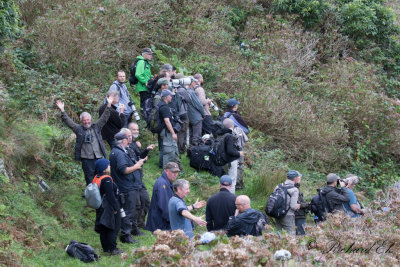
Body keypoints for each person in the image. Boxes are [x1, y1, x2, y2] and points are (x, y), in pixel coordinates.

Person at [56, 95, 113, 185]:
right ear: (81, 121)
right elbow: (69, 122)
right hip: (87, 159)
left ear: (90, 119)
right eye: (84, 120)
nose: (86, 122)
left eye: (88, 120)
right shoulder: (79, 129)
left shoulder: (96, 126)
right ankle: (91, 195)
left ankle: (102, 194)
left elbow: (104, 117)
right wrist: (62, 110)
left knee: (101, 177)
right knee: (89, 179)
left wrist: (109, 104)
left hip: (98, 157)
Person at [109, 131, 146, 243]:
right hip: (126, 187)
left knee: (133, 209)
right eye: (127, 138)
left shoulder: (118, 151)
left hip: (130, 185)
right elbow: (123, 169)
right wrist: (136, 166)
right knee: (128, 212)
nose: (129, 140)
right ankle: (126, 235)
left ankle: (133, 230)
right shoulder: (119, 153)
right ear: (124, 141)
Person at [127, 123, 156, 229]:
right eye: (133, 130)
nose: (136, 131)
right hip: (132, 180)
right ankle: (134, 227)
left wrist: (146, 150)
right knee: (137, 204)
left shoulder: (134, 144)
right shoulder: (125, 147)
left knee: (146, 201)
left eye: (137, 129)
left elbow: (139, 157)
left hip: (139, 177)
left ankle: (141, 223)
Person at [93, 158, 123, 256]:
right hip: (108, 207)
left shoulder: (96, 177)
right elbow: (110, 195)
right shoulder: (106, 179)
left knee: (104, 227)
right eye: (108, 165)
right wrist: (115, 208)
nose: (110, 166)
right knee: (112, 227)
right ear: (104, 168)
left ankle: (106, 247)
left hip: (100, 206)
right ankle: (113, 249)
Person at [146, 162, 180, 232]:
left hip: (162, 220)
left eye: (177, 172)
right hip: (159, 224)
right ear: (166, 171)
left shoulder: (168, 181)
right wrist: (173, 221)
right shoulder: (162, 184)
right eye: (173, 172)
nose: (175, 174)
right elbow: (164, 206)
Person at [218, 118, 244, 193]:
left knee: (224, 180)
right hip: (230, 160)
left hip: (223, 160)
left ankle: (223, 196)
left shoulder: (220, 133)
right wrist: (239, 153)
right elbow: (230, 151)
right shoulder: (229, 136)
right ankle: (231, 198)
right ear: (232, 126)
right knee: (232, 180)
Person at [158, 90, 181, 169]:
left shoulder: (160, 104)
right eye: (170, 96)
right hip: (166, 131)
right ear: (166, 97)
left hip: (162, 130)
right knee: (168, 150)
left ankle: (161, 165)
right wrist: (173, 133)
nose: (171, 97)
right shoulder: (164, 107)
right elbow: (167, 121)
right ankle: (167, 170)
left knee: (163, 148)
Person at [275, 170, 301, 235]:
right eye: (298, 177)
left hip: (277, 214)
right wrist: (300, 205)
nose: (299, 178)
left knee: (280, 234)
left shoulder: (278, 186)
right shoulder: (294, 189)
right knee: (290, 236)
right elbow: (293, 206)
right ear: (295, 178)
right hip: (288, 215)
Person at [187, 77, 206, 146]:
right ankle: (196, 151)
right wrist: (204, 114)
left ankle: (190, 150)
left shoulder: (185, 91)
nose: (195, 83)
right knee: (197, 136)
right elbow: (199, 105)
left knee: (191, 135)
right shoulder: (191, 92)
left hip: (189, 116)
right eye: (194, 82)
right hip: (196, 116)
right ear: (191, 83)